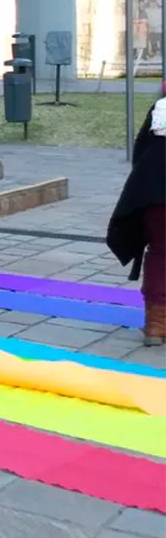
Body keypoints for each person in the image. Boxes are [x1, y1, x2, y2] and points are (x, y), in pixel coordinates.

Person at [108, 80, 166, 345]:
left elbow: (140, 152)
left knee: (160, 252)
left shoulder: (159, 109)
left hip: (154, 190)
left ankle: (156, 323)